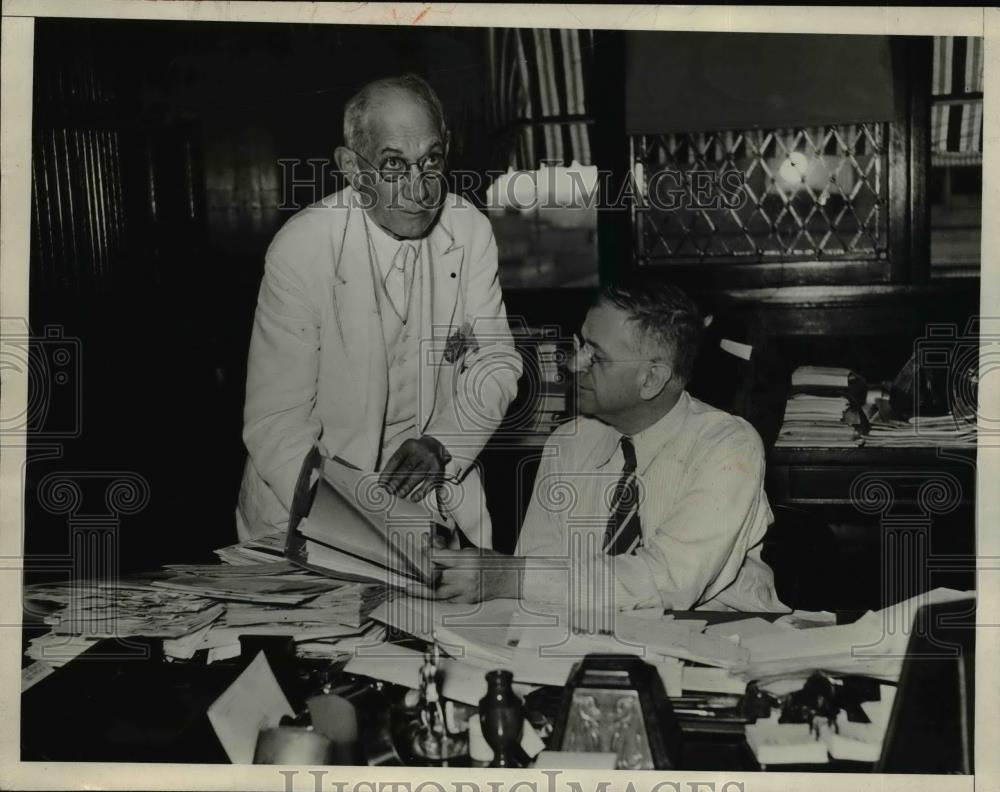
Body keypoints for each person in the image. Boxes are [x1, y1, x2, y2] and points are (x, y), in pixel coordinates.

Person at [237, 74, 521, 546]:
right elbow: (276, 423)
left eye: (431, 161)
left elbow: (495, 363)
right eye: (394, 165)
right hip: (310, 504)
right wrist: (363, 524)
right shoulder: (303, 248)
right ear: (351, 166)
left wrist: (441, 446)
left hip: (435, 502)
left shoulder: (468, 230)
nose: (419, 189)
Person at [418, 274, 787, 613]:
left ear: (651, 379)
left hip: (720, 645)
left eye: (597, 356)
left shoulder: (727, 446)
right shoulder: (569, 443)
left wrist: (510, 576)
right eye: (580, 343)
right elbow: (539, 582)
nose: (574, 363)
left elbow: (669, 584)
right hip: (593, 641)